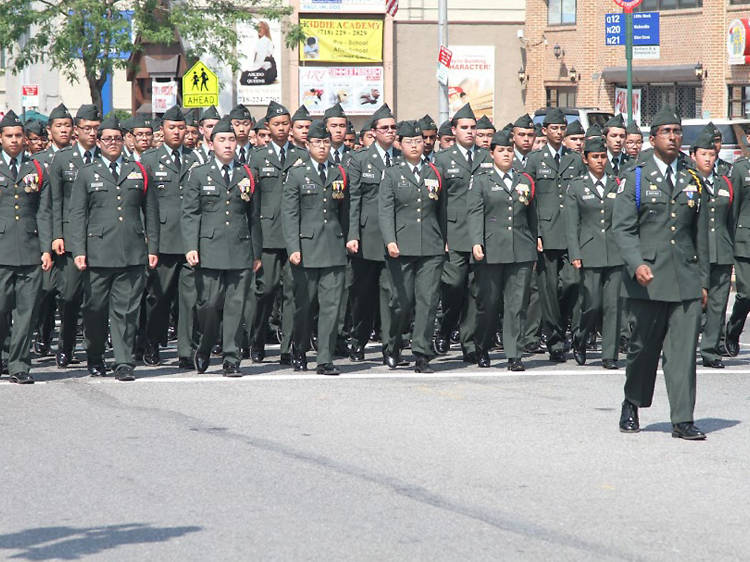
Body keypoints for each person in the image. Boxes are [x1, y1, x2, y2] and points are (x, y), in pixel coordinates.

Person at [613, 105, 708, 440]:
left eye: (677, 131)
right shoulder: (635, 176)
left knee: (683, 352)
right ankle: (632, 401)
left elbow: (701, 234)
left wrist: (704, 281)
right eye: (666, 132)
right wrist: (636, 263)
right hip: (647, 279)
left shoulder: (691, 177)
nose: (673, 137)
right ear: (652, 139)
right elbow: (622, 229)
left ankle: (682, 419)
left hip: (684, 278)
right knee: (642, 348)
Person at [69, 115, 159, 382]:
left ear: (124, 141)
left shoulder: (139, 170)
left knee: (127, 311)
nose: (112, 143)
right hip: (97, 253)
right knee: (94, 309)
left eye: (117, 139)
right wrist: (79, 250)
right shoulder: (88, 173)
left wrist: (152, 246)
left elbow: (150, 212)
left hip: (131, 251)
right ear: (98, 141)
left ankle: (123, 361)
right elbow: (77, 214)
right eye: (107, 139)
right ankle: (95, 355)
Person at [183, 117, 262, 376]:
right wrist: (191, 246)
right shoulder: (199, 173)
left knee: (235, 305)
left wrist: (256, 252)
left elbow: (253, 217)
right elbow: (191, 213)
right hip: (210, 248)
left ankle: (231, 357)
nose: (228, 144)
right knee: (208, 304)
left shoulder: (247, 173)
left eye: (231, 139)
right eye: (222, 140)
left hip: (240, 248)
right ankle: (205, 345)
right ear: (211, 143)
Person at [379, 120, 446, 373]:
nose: (415, 146)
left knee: (427, 302)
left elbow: (442, 210)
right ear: (400, 145)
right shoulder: (392, 173)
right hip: (402, 246)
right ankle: (393, 345)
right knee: (401, 302)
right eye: (409, 142)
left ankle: (421, 353)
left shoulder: (434, 172)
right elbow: (385, 211)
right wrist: (390, 240)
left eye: (418, 141)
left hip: (431, 245)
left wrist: (443, 240)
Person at [282, 120, 347, 375]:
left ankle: (325, 358)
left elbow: (345, 211)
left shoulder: (339, 172)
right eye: (317, 142)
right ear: (307, 145)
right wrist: (293, 247)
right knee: (304, 306)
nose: (322, 147)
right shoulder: (297, 174)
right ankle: (299, 348)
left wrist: (347, 238)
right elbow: (289, 214)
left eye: (326, 142)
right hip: (306, 249)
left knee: (331, 306)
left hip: (333, 247)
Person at [468, 129, 536, 371]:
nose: (507, 154)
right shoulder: (482, 181)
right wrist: (477, 242)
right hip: (492, 249)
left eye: (510, 150)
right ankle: (482, 345)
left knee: (516, 304)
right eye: (502, 151)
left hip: (521, 249)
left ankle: (514, 353)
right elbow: (475, 213)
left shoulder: (524, 180)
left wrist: (535, 242)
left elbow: (532, 215)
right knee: (490, 303)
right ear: (491, 153)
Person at [248, 101, 307, 365]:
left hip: (295, 234)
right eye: (277, 124)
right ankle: (257, 339)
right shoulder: (258, 157)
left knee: (293, 292)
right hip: (268, 233)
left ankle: (290, 347)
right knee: (266, 290)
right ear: (267, 127)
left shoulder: (302, 156)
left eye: (286, 123)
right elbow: (253, 201)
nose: (282, 128)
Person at [524, 107, 585, 362]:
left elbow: (582, 196)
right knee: (547, 290)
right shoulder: (535, 160)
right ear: (545, 131)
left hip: (570, 232)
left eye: (562, 128)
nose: (559, 133)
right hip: (546, 232)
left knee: (571, 282)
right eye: (554, 128)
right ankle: (555, 340)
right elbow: (530, 200)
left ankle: (563, 325)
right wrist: (535, 233)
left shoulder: (575, 159)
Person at [433, 103, 493, 364]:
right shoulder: (442, 159)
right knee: (454, 285)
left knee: (476, 290)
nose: (470, 132)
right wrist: (441, 235)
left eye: (473, 128)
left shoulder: (487, 157)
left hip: (481, 233)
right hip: (454, 232)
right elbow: (437, 202)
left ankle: (470, 343)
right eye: (465, 128)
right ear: (454, 130)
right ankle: (446, 327)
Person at [140, 105, 198, 368]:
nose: (177, 132)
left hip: (189, 241)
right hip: (162, 239)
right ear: (162, 130)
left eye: (181, 127)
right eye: (172, 127)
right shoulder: (149, 160)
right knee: (158, 297)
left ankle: (186, 350)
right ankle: (152, 342)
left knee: (189, 299)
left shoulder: (194, 158)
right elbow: (141, 204)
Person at [0, 110, 53, 384]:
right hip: (2, 249)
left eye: (18, 136)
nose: (14, 140)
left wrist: (46, 249)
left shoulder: (38, 168)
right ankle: (5, 353)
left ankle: (19, 364)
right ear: (1, 138)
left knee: (26, 311)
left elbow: (44, 212)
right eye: (9, 136)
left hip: (31, 248)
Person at [48, 104, 102, 368]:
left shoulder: (106, 157)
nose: (92, 134)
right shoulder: (63, 158)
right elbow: (54, 201)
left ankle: (94, 351)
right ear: (76, 130)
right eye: (87, 129)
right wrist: (57, 234)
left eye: (95, 129)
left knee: (96, 299)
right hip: (70, 239)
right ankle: (66, 346)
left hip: (101, 237)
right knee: (69, 297)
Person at [346, 103, 400, 363]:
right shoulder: (360, 159)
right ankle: (359, 340)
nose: (390, 131)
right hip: (367, 236)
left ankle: (390, 347)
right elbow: (354, 198)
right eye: (385, 128)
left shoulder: (402, 159)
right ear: (374, 132)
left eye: (393, 127)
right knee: (363, 295)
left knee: (391, 293)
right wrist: (353, 234)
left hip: (395, 237)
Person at [565, 136, 623, 369]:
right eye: (595, 157)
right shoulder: (577, 186)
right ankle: (580, 337)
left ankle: (610, 354)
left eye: (602, 157)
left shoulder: (617, 184)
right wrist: (575, 253)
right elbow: (571, 225)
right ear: (585, 159)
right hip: (589, 251)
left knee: (613, 306)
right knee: (592, 303)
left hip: (615, 252)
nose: (600, 161)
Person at [690, 127, 734, 369]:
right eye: (703, 154)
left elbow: (731, 219)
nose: (708, 158)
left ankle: (710, 351)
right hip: (696, 253)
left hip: (722, 251)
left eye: (711, 154)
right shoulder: (688, 183)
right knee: (694, 304)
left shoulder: (724, 183)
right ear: (694, 155)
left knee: (718, 304)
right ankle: (684, 347)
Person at [33, 103, 73, 357]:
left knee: (69, 293)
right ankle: (44, 334)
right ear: (50, 130)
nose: (64, 130)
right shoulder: (38, 161)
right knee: (46, 290)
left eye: (68, 125)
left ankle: (65, 344)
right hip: (44, 232)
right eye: (59, 126)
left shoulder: (79, 159)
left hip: (70, 233)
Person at [725, 128, 750, 356]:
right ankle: (732, 333)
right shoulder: (741, 169)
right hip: (745, 242)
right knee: (746, 294)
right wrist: (730, 244)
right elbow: (733, 210)